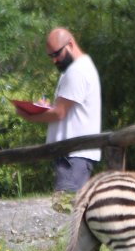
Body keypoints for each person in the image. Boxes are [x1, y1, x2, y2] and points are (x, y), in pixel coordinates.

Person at [14, 27, 102, 192]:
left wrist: (28, 115)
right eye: (51, 56)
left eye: (56, 54)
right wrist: (44, 108)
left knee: (65, 209)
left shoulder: (77, 70)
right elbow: (66, 109)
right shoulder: (77, 68)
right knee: (69, 210)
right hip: (74, 155)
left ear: (70, 44)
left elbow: (59, 113)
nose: (54, 60)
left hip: (74, 155)